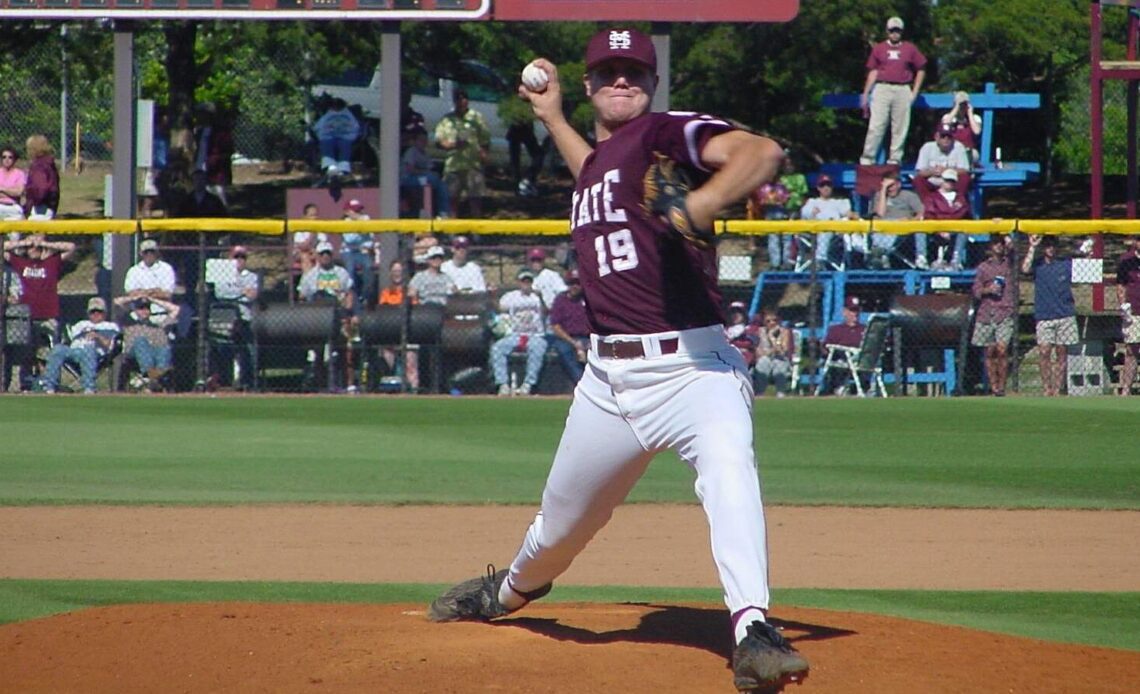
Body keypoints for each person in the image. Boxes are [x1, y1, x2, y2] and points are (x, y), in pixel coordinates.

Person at [427, 28, 808, 692]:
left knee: (729, 467)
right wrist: (550, 120)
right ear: (590, 85)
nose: (622, 80)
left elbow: (761, 150)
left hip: (695, 368)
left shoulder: (663, 133)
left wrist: (705, 201)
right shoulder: (605, 162)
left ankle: (753, 629)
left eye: (634, 71)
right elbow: (595, 173)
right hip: (608, 381)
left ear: (654, 83)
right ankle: (509, 593)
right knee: (559, 529)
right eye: (609, 71)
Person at [859, 16, 927, 166]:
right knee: (877, 125)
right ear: (887, 31)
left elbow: (921, 69)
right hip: (882, 87)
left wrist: (914, 92)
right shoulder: (879, 48)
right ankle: (868, 158)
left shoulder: (910, 48)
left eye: (897, 31)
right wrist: (866, 93)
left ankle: (895, 159)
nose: (894, 34)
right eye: (892, 31)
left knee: (900, 127)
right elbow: (873, 71)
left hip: (902, 88)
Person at [1020, 235, 1077, 397]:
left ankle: (1058, 388)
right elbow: (1024, 269)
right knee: (1044, 351)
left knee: (1061, 352)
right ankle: (1047, 388)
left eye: (1053, 245)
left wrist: (1088, 253)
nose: (1051, 249)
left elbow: (1091, 273)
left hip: (1064, 314)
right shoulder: (1038, 265)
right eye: (1047, 246)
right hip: (1044, 315)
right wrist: (1032, 247)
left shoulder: (1065, 265)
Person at [41, 297, 120, 395]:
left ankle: (89, 388)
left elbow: (110, 345)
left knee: (88, 349)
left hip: (95, 353)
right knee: (58, 349)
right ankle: (49, 387)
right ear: (88, 313)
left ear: (105, 313)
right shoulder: (81, 325)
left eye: (99, 311)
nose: (96, 314)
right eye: (92, 311)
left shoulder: (110, 326)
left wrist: (97, 336)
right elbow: (67, 338)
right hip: (74, 352)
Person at [489, 268, 548, 396]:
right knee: (497, 348)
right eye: (523, 281)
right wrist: (493, 295)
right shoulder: (510, 297)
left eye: (528, 281)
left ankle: (528, 384)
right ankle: (503, 384)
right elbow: (499, 309)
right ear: (519, 282)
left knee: (538, 350)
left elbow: (546, 313)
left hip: (535, 335)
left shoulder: (537, 296)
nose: (526, 284)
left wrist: (541, 298)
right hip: (515, 334)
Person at [434, 88, 491, 218]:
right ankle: (453, 233)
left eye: (464, 98)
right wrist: (453, 145)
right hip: (453, 166)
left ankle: (476, 233)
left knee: (475, 201)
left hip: (473, 165)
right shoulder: (447, 120)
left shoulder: (476, 118)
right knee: (452, 200)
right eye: (458, 98)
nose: (462, 101)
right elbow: (438, 141)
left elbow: (485, 140)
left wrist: (484, 155)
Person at [210, 245, 260, 391]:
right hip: (225, 315)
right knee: (223, 348)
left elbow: (252, 296)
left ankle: (247, 382)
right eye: (236, 257)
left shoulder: (252, 276)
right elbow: (220, 294)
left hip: (245, 317)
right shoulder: (221, 272)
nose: (239, 260)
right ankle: (225, 381)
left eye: (242, 257)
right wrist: (241, 292)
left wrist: (235, 293)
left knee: (248, 350)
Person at [971, 236, 1016, 396]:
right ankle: (994, 385)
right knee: (989, 352)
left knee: (1002, 350)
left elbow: (1014, 250)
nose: (998, 246)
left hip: (1004, 312)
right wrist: (987, 290)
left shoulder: (1009, 264)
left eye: (1000, 243)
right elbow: (976, 291)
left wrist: (1007, 236)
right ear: (990, 247)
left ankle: (1002, 386)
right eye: (995, 244)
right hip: (986, 313)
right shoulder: (983, 268)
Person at [114, 296, 180, 393]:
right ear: (135, 311)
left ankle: (157, 377)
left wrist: (153, 299)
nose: (144, 311)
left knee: (163, 344)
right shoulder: (129, 322)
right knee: (140, 341)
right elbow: (117, 302)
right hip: (133, 354)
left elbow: (175, 309)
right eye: (141, 309)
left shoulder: (156, 326)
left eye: (147, 308)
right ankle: (150, 376)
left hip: (154, 355)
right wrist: (135, 297)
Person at [799, 174, 859, 269]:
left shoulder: (838, 202)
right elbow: (805, 215)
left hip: (834, 232)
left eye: (828, 185)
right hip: (813, 232)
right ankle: (819, 261)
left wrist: (854, 215)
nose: (826, 188)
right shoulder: (812, 202)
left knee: (827, 230)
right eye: (823, 185)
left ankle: (820, 261)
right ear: (818, 188)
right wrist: (812, 213)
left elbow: (848, 213)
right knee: (824, 230)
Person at [869, 172, 924, 269]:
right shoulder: (879, 196)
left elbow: (921, 213)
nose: (890, 189)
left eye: (891, 185)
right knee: (879, 225)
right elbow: (880, 214)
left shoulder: (909, 196)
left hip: (903, 226)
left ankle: (882, 253)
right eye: (886, 186)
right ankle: (882, 253)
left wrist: (911, 220)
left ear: (899, 184)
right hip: (883, 226)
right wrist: (883, 191)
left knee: (919, 227)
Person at [547, 269, 590, 385]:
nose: (575, 286)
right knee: (564, 350)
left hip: (587, 338)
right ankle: (582, 383)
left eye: (578, 283)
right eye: (572, 283)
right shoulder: (560, 300)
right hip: (566, 338)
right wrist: (574, 343)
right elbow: (555, 326)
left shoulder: (588, 299)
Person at [922, 169, 970, 271]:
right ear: (941, 180)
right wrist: (940, 229)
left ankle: (956, 260)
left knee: (964, 230)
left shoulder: (960, 198)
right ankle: (923, 259)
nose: (949, 183)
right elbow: (929, 214)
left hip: (954, 228)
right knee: (920, 230)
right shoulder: (932, 197)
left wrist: (949, 228)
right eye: (947, 180)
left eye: (952, 181)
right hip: (935, 228)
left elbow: (962, 212)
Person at [400, 127, 451, 218]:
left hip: (423, 178)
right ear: (415, 141)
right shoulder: (411, 152)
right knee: (432, 178)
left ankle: (443, 212)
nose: (423, 142)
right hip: (409, 179)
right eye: (421, 140)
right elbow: (410, 169)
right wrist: (424, 173)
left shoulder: (425, 154)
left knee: (442, 185)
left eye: (425, 140)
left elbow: (430, 168)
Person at [821, 295, 866, 396]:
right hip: (842, 361)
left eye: (857, 310)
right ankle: (839, 388)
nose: (855, 314)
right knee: (838, 362)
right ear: (845, 311)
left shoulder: (865, 330)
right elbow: (825, 349)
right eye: (852, 310)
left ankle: (863, 388)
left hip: (861, 361)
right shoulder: (836, 330)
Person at [914, 123, 971, 199]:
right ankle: (928, 205)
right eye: (943, 136)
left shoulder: (959, 147)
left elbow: (965, 170)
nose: (946, 139)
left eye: (949, 137)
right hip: (932, 181)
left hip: (952, 182)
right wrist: (932, 172)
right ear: (936, 137)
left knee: (965, 178)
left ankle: (957, 203)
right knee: (918, 180)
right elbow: (920, 172)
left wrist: (947, 171)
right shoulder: (927, 147)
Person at [1115, 236, 1140, 395]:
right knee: (1131, 350)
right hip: (1134, 311)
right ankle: (1126, 389)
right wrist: (1123, 305)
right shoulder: (1126, 260)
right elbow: (1120, 285)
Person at [313, 97, 361, 180]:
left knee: (345, 145)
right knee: (326, 144)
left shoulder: (348, 115)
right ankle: (331, 166)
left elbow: (355, 127)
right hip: (329, 136)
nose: (336, 108)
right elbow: (318, 126)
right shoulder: (328, 114)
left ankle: (343, 168)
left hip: (345, 136)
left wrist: (351, 134)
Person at [340, 198, 376, 309]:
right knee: (350, 271)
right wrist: (361, 229)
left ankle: (364, 297)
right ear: (347, 212)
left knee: (368, 267)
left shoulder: (366, 218)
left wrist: (358, 229)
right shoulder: (345, 222)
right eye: (355, 211)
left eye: (359, 210)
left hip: (363, 252)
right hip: (349, 252)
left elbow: (370, 239)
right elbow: (349, 239)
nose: (358, 213)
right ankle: (352, 300)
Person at [753, 310, 795, 397]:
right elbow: (759, 351)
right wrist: (773, 349)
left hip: (780, 358)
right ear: (764, 322)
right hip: (765, 358)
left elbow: (784, 350)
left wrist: (771, 337)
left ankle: (781, 392)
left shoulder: (784, 332)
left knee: (780, 364)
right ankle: (760, 393)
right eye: (768, 321)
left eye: (774, 320)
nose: (772, 323)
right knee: (762, 362)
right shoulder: (760, 332)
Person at [940, 91, 983, 166]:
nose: (962, 108)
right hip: (951, 150)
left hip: (968, 151)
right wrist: (956, 108)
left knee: (973, 154)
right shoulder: (948, 117)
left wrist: (970, 113)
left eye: (964, 105)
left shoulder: (975, 118)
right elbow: (944, 126)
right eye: (961, 105)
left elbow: (977, 131)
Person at [24, 134, 60, 220]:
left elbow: (41, 187)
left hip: (40, 206)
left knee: (38, 232)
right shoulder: (49, 163)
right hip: (50, 203)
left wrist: (34, 201)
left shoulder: (39, 166)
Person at [525, 247, 567, 311]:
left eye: (539, 260)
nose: (536, 263)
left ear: (543, 261)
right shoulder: (527, 276)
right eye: (533, 260)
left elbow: (563, 292)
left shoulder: (551, 275)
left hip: (551, 311)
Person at [293, 203, 327, 275]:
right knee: (305, 256)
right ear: (305, 217)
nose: (314, 218)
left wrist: (315, 252)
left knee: (321, 256)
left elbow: (324, 245)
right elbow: (302, 247)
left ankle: (320, 280)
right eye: (311, 215)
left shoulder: (321, 230)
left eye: (316, 215)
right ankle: (308, 280)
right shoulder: (300, 230)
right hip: (301, 253)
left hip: (316, 252)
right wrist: (312, 234)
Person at [0, 144, 27, 220]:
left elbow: (18, 193)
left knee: (15, 231)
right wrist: (11, 192)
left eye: (10, 157)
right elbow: (15, 193)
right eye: (4, 157)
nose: (7, 159)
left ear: (14, 159)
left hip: (13, 207)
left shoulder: (20, 174)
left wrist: (2, 189)